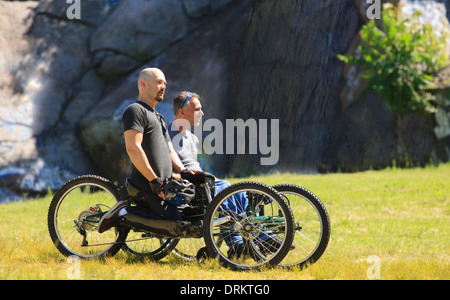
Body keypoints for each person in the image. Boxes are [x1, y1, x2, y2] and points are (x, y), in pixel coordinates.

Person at [97, 68, 189, 233]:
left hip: (162, 186)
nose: (164, 87)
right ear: (143, 84)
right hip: (144, 184)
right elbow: (133, 148)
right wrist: (154, 180)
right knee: (174, 224)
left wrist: (185, 172)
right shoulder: (135, 110)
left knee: (187, 216)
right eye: (159, 82)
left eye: (165, 84)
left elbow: (170, 151)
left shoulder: (159, 117)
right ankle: (123, 213)